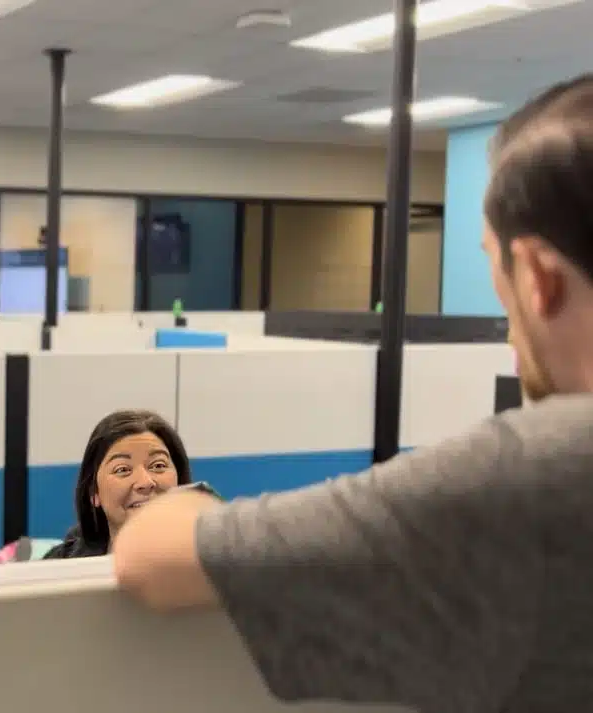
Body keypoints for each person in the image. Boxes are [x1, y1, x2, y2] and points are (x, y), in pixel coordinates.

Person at [113, 74, 593, 712]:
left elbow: (154, 558)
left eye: (492, 264)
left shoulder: (533, 479)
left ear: (537, 276)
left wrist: (180, 501)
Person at [43, 410, 193, 559]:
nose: (145, 482)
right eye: (123, 469)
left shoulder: (208, 562)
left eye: (158, 465)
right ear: (94, 492)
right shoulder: (59, 566)